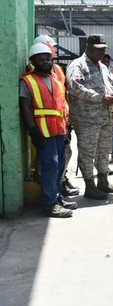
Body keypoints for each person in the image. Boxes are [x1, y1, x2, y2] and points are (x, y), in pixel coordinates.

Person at [19, 43, 77, 217]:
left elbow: (62, 106)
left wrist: (67, 127)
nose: (46, 60)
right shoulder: (27, 81)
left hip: (59, 131)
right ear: (33, 60)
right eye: (41, 57)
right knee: (49, 167)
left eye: (48, 57)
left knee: (59, 165)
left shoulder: (56, 81)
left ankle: (56, 197)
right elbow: (25, 107)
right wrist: (33, 131)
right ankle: (49, 204)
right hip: (43, 132)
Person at [65, 35, 113, 200]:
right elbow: (75, 87)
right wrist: (100, 98)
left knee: (104, 150)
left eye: (104, 49)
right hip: (86, 119)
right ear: (89, 48)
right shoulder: (78, 65)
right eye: (99, 49)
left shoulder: (102, 67)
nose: (102, 52)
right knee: (87, 152)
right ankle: (90, 186)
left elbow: (110, 86)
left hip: (105, 117)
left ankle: (103, 181)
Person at [32, 35, 80, 197]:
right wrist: (34, 130)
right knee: (49, 164)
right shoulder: (32, 75)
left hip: (61, 123)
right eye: (51, 46)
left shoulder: (57, 70)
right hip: (45, 128)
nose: (54, 51)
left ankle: (59, 190)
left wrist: (68, 119)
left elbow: (62, 96)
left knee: (62, 159)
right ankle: (51, 197)